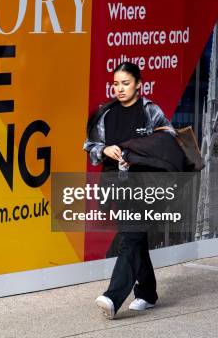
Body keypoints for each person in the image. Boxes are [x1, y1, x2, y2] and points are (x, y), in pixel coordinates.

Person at [83, 62, 175, 320]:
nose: (120, 89)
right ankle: (147, 292)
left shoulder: (150, 111)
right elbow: (89, 145)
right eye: (116, 84)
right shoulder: (106, 114)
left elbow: (168, 138)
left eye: (125, 83)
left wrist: (138, 154)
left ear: (138, 84)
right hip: (116, 183)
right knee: (134, 236)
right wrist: (103, 150)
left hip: (143, 183)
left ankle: (113, 297)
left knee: (130, 237)